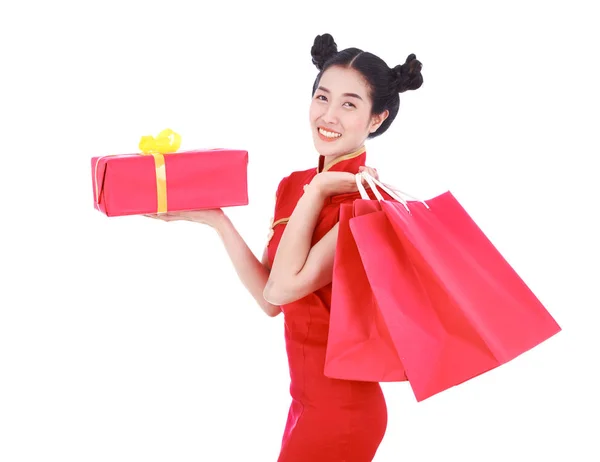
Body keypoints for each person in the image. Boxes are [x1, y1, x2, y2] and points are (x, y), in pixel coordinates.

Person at [149, 33, 423, 462]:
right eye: (322, 97)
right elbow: (269, 301)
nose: (328, 115)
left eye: (350, 104)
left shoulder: (369, 205)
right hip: (304, 404)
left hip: (343, 411)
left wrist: (317, 193)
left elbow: (282, 289)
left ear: (376, 119)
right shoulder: (293, 185)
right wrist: (215, 219)